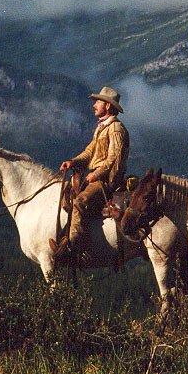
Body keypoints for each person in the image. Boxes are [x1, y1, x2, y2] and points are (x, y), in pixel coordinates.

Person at [49, 86, 129, 263]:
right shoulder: (102, 127)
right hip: (96, 176)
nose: (94, 105)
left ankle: (73, 246)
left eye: (98, 102)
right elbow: (89, 151)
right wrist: (74, 161)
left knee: (79, 202)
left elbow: (112, 159)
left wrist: (97, 175)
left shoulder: (116, 129)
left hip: (107, 182)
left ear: (107, 106)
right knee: (67, 194)